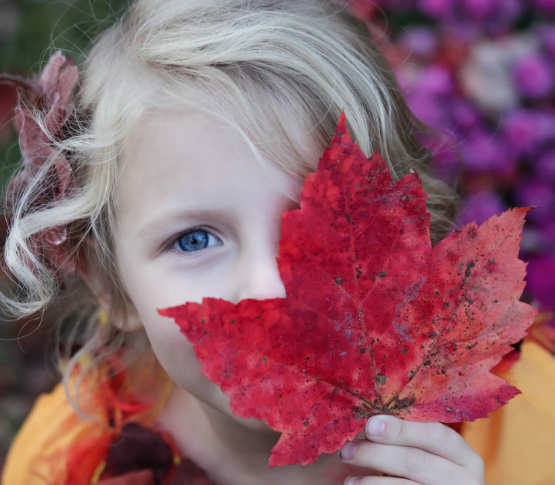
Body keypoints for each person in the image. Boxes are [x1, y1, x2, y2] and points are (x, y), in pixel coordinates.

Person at [0, 1, 553, 484]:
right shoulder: (65, 463)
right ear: (111, 285)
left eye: (324, 223)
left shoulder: (530, 429)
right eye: (194, 239)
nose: (271, 286)